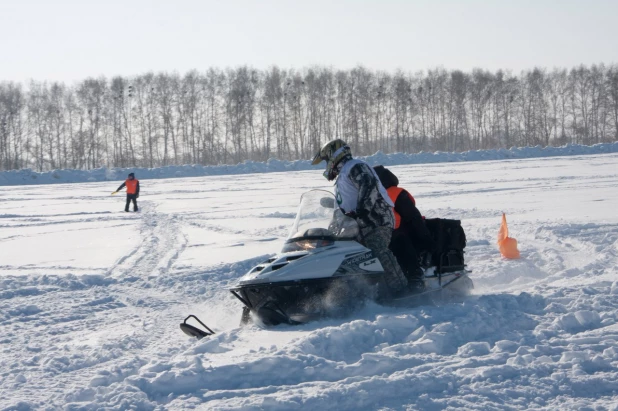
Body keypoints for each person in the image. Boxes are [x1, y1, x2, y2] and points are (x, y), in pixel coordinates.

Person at [311, 139, 409, 295]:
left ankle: (402, 290)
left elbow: (369, 186)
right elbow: (345, 204)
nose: (326, 164)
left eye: (326, 160)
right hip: (356, 225)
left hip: (376, 220)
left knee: (377, 250)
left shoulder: (355, 166)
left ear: (334, 155)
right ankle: (353, 292)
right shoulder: (342, 176)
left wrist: (362, 210)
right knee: (344, 255)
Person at [373, 165, 437, 289]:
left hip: (399, 233)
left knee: (399, 242)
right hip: (381, 233)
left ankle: (416, 279)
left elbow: (414, 217)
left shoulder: (395, 193)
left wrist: (426, 239)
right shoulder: (371, 197)